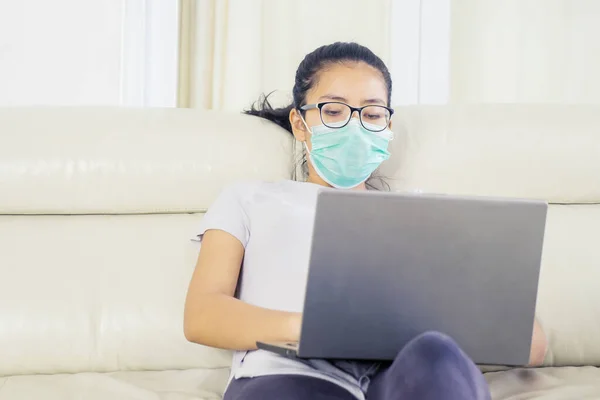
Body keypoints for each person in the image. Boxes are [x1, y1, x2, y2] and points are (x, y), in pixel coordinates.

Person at [184, 42, 548, 400]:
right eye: (334, 111)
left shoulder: (426, 215)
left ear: (388, 127)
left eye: (372, 114)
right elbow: (201, 314)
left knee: (437, 355)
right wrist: (314, 329)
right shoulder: (249, 198)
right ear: (299, 122)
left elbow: (531, 345)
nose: (354, 127)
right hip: (289, 374)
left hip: (399, 379)